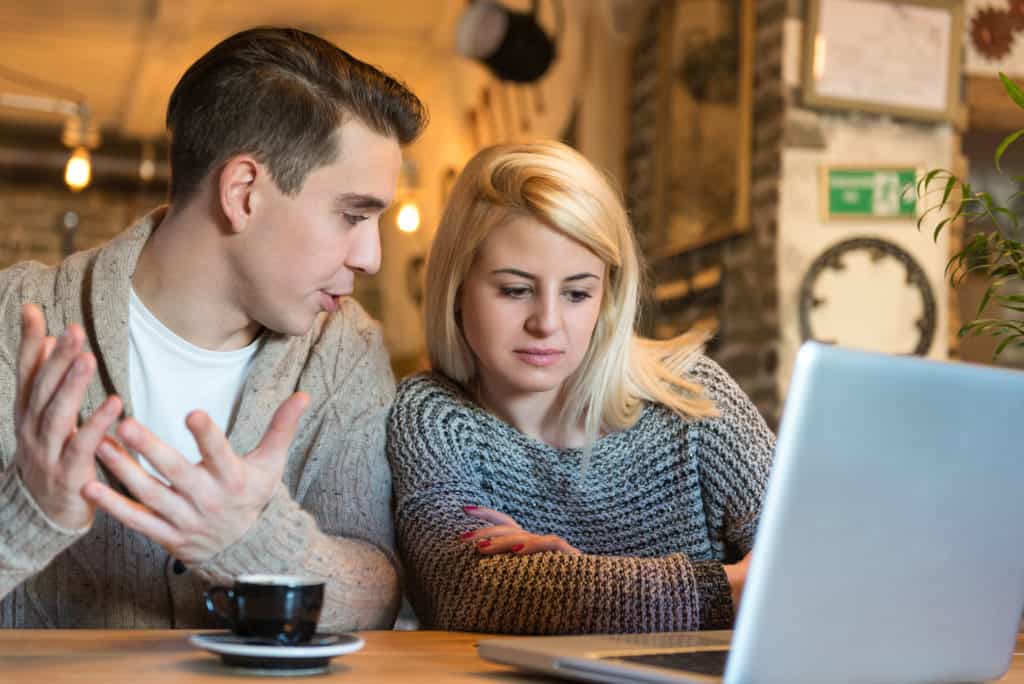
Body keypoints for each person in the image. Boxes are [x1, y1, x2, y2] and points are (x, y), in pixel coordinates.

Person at [0, 27, 427, 630]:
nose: (371, 258)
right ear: (243, 193)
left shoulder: (344, 347)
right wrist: (29, 513)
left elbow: (379, 597)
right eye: (352, 215)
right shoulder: (13, 321)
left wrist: (250, 541)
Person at [387, 141, 774, 634]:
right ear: (456, 287)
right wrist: (731, 589)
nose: (547, 323)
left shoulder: (691, 395)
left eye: (576, 293)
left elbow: (808, 568)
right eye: (515, 290)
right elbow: (469, 592)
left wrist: (565, 585)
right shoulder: (431, 416)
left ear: (607, 296)